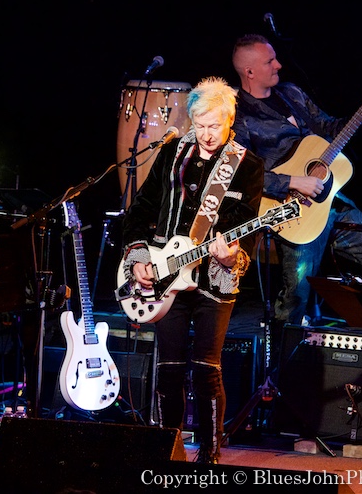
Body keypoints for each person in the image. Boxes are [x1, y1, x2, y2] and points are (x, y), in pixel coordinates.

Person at [121, 76, 264, 464]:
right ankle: (169, 447)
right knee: (167, 368)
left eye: (214, 125)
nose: (206, 134)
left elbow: (247, 227)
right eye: (199, 125)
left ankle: (210, 453)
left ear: (229, 121)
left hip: (213, 280)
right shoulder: (171, 154)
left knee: (205, 368)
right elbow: (141, 209)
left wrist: (228, 254)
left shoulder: (247, 166)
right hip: (167, 275)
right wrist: (139, 260)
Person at [231, 33, 362, 327]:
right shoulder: (239, 115)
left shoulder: (291, 94)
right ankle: (280, 364)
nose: (279, 65)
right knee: (298, 293)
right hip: (293, 212)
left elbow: (330, 128)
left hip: (329, 201)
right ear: (250, 71)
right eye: (270, 61)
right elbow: (240, 174)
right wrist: (293, 181)